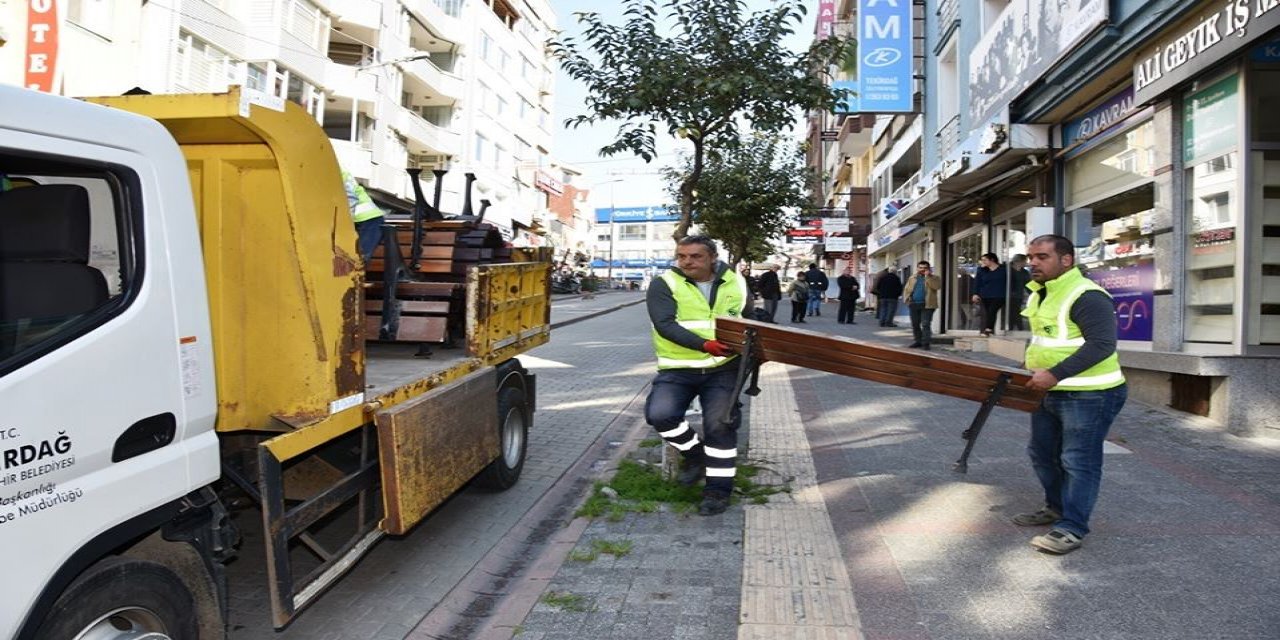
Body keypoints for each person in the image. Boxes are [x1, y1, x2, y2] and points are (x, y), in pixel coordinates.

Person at [1013, 234, 1127, 555]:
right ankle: (1056, 507)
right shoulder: (1041, 292)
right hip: (1049, 390)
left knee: (1079, 461)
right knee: (1043, 454)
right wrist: (1032, 363)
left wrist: (1054, 373)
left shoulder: (1087, 295)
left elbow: (1102, 345)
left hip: (1091, 394)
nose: (1033, 262)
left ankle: (1072, 527)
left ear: (1066, 260)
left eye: (1042, 257)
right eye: (1030, 256)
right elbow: (1046, 338)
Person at [644, 235, 752, 517]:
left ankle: (717, 492)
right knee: (660, 415)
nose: (687, 261)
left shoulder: (736, 281)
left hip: (723, 368)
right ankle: (696, 455)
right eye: (682, 256)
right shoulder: (663, 284)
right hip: (678, 368)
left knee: (720, 426)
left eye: (695, 256)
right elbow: (665, 324)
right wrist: (704, 344)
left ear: (712, 258)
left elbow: (748, 318)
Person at [342, 169, 386, 264]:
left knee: (358, 259)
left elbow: (351, 199)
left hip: (370, 220)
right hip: (366, 219)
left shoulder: (336, 172)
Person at [901, 261, 941, 350]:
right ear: (917, 268)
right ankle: (918, 341)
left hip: (928, 305)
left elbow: (936, 287)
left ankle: (926, 343)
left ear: (929, 269)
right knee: (915, 324)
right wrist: (907, 300)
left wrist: (928, 277)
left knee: (926, 324)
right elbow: (907, 289)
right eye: (920, 267)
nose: (922, 269)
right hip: (914, 304)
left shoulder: (935, 278)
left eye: (925, 268)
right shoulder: (913, 278)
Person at [971, 253, 1007, 336]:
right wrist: (975, 294)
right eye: (982, 260)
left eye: (985, 260)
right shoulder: (981, 270)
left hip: (999, 295)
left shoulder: (1003, 270)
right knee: (988, 313)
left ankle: (988, 330)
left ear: (992, 260)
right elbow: (977, 282)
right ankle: (990, 330)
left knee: (992, 311)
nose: (982, 262)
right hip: (985, 295)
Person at [1008, 254, 1031, 330]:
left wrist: (1033, 293)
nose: (1026, 263)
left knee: (1015, 312)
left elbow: (1028, 285)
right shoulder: (1008, 270)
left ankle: (1016, 328)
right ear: (1019, 261)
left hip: (1018, 296)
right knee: (1013, 313)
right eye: (1025, 261)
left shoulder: (1024, 272)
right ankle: (1017, 328)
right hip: (1007, 296)